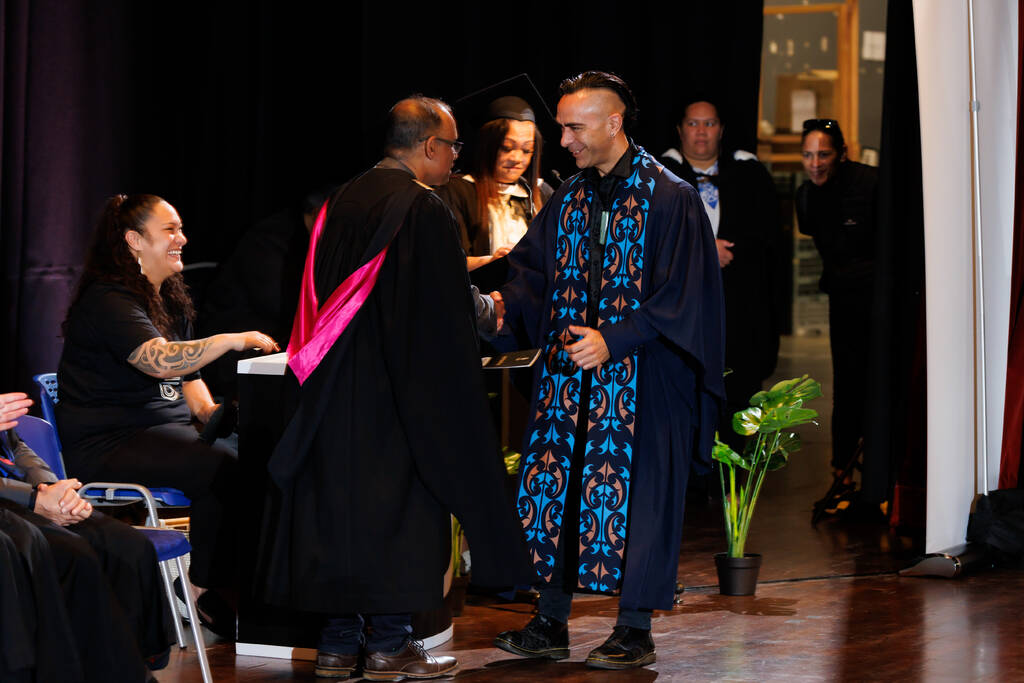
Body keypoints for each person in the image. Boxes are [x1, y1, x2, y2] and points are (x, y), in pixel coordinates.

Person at [259, 95, 533, 681]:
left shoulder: (339, 200)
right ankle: (387, 645)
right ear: (431, 146)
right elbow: (439, 305)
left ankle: (336, 647)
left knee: (340, 513)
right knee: (398, 516)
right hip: (395, 390)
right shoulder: (421, 207)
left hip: (330, 387)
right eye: (454, 146)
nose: (457, 157)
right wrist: (489, 311)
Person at [493, 71, 725, 670]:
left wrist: (617, 339)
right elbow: (530, 275)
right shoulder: (568, 196)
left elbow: (688, 294)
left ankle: (635, 628)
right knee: (560, 490)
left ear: (614, 123)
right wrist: (493, 309)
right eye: (563, 127)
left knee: (641, 498)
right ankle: (550, 619)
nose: (563, 139)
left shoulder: (670, 196)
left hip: (645, 380)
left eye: (575, 127)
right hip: (572, 381)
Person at [57, 194, 279, 633]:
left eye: (180, 228)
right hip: (110, 441)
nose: (183, 238)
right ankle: (201, 589)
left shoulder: (168, 299)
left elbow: (188, 375)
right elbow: (159, 360)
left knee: (259, 454)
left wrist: (215, 415)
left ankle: (254, 586)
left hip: (162, 431)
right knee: (223, 466)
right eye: (170, 230)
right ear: (134, 241)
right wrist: (232, 340)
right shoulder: (110, 299)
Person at [0, 391, 173, 682]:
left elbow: (15, 446)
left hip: (21, 494)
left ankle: (132, 662)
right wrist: (32, 498)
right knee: (71, 553)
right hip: (9, 502)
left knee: (124, 545)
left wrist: (50, 488)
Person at [661, 99, 781, 451]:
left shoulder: (749, 173)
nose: (701, 132)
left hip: (738, 309)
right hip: (683, 312)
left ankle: (731, 480)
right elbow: (650, 241)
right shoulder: (660, 176)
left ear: (721, 130)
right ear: (681, 129)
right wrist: (703, 250)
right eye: (694, 123)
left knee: (738, 392)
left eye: (710, 124)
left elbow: (769, 239)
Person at [796, 118, 878, 486]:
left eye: (824, 154)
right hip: (843, 298)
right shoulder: (806, 195)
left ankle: (880, 474)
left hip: (879, 299)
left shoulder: (870, 183)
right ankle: (842, 470)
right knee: (845, 384)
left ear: (841, 154)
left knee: (878, 382)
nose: (815, 163)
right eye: (808, 154)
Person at [436, 93, 552, 272]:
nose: (517, 158)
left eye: (527, 150)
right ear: (487, 145)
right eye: (506, 148)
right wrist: (491, 261)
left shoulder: (541, 192)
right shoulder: (458, 191)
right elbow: (445, 263)